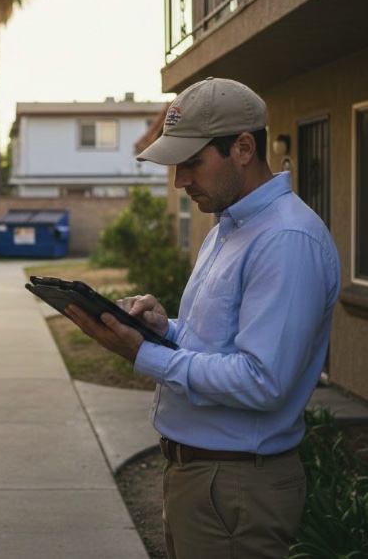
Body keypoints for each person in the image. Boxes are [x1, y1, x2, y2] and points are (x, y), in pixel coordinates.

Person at [64, 77, 341, 559]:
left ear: (243, 147)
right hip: (209, 480)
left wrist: (145, 354)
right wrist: (164, 330)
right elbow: (218, 344)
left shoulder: (286, 240)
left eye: (192, 163)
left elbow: (262, 380)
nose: (180, 181)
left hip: (235, 485)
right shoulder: (230, 227)